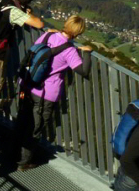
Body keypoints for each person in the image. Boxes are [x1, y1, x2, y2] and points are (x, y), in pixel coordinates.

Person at [14, 14, 93, 171]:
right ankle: (24, 162)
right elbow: (83, 71)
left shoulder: (48, 34)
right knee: (35, 127)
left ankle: (14, 152)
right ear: (78, 33)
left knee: (23, 118)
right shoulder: (69, 50)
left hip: (27, 84)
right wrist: (88, 53)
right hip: (45, 93)